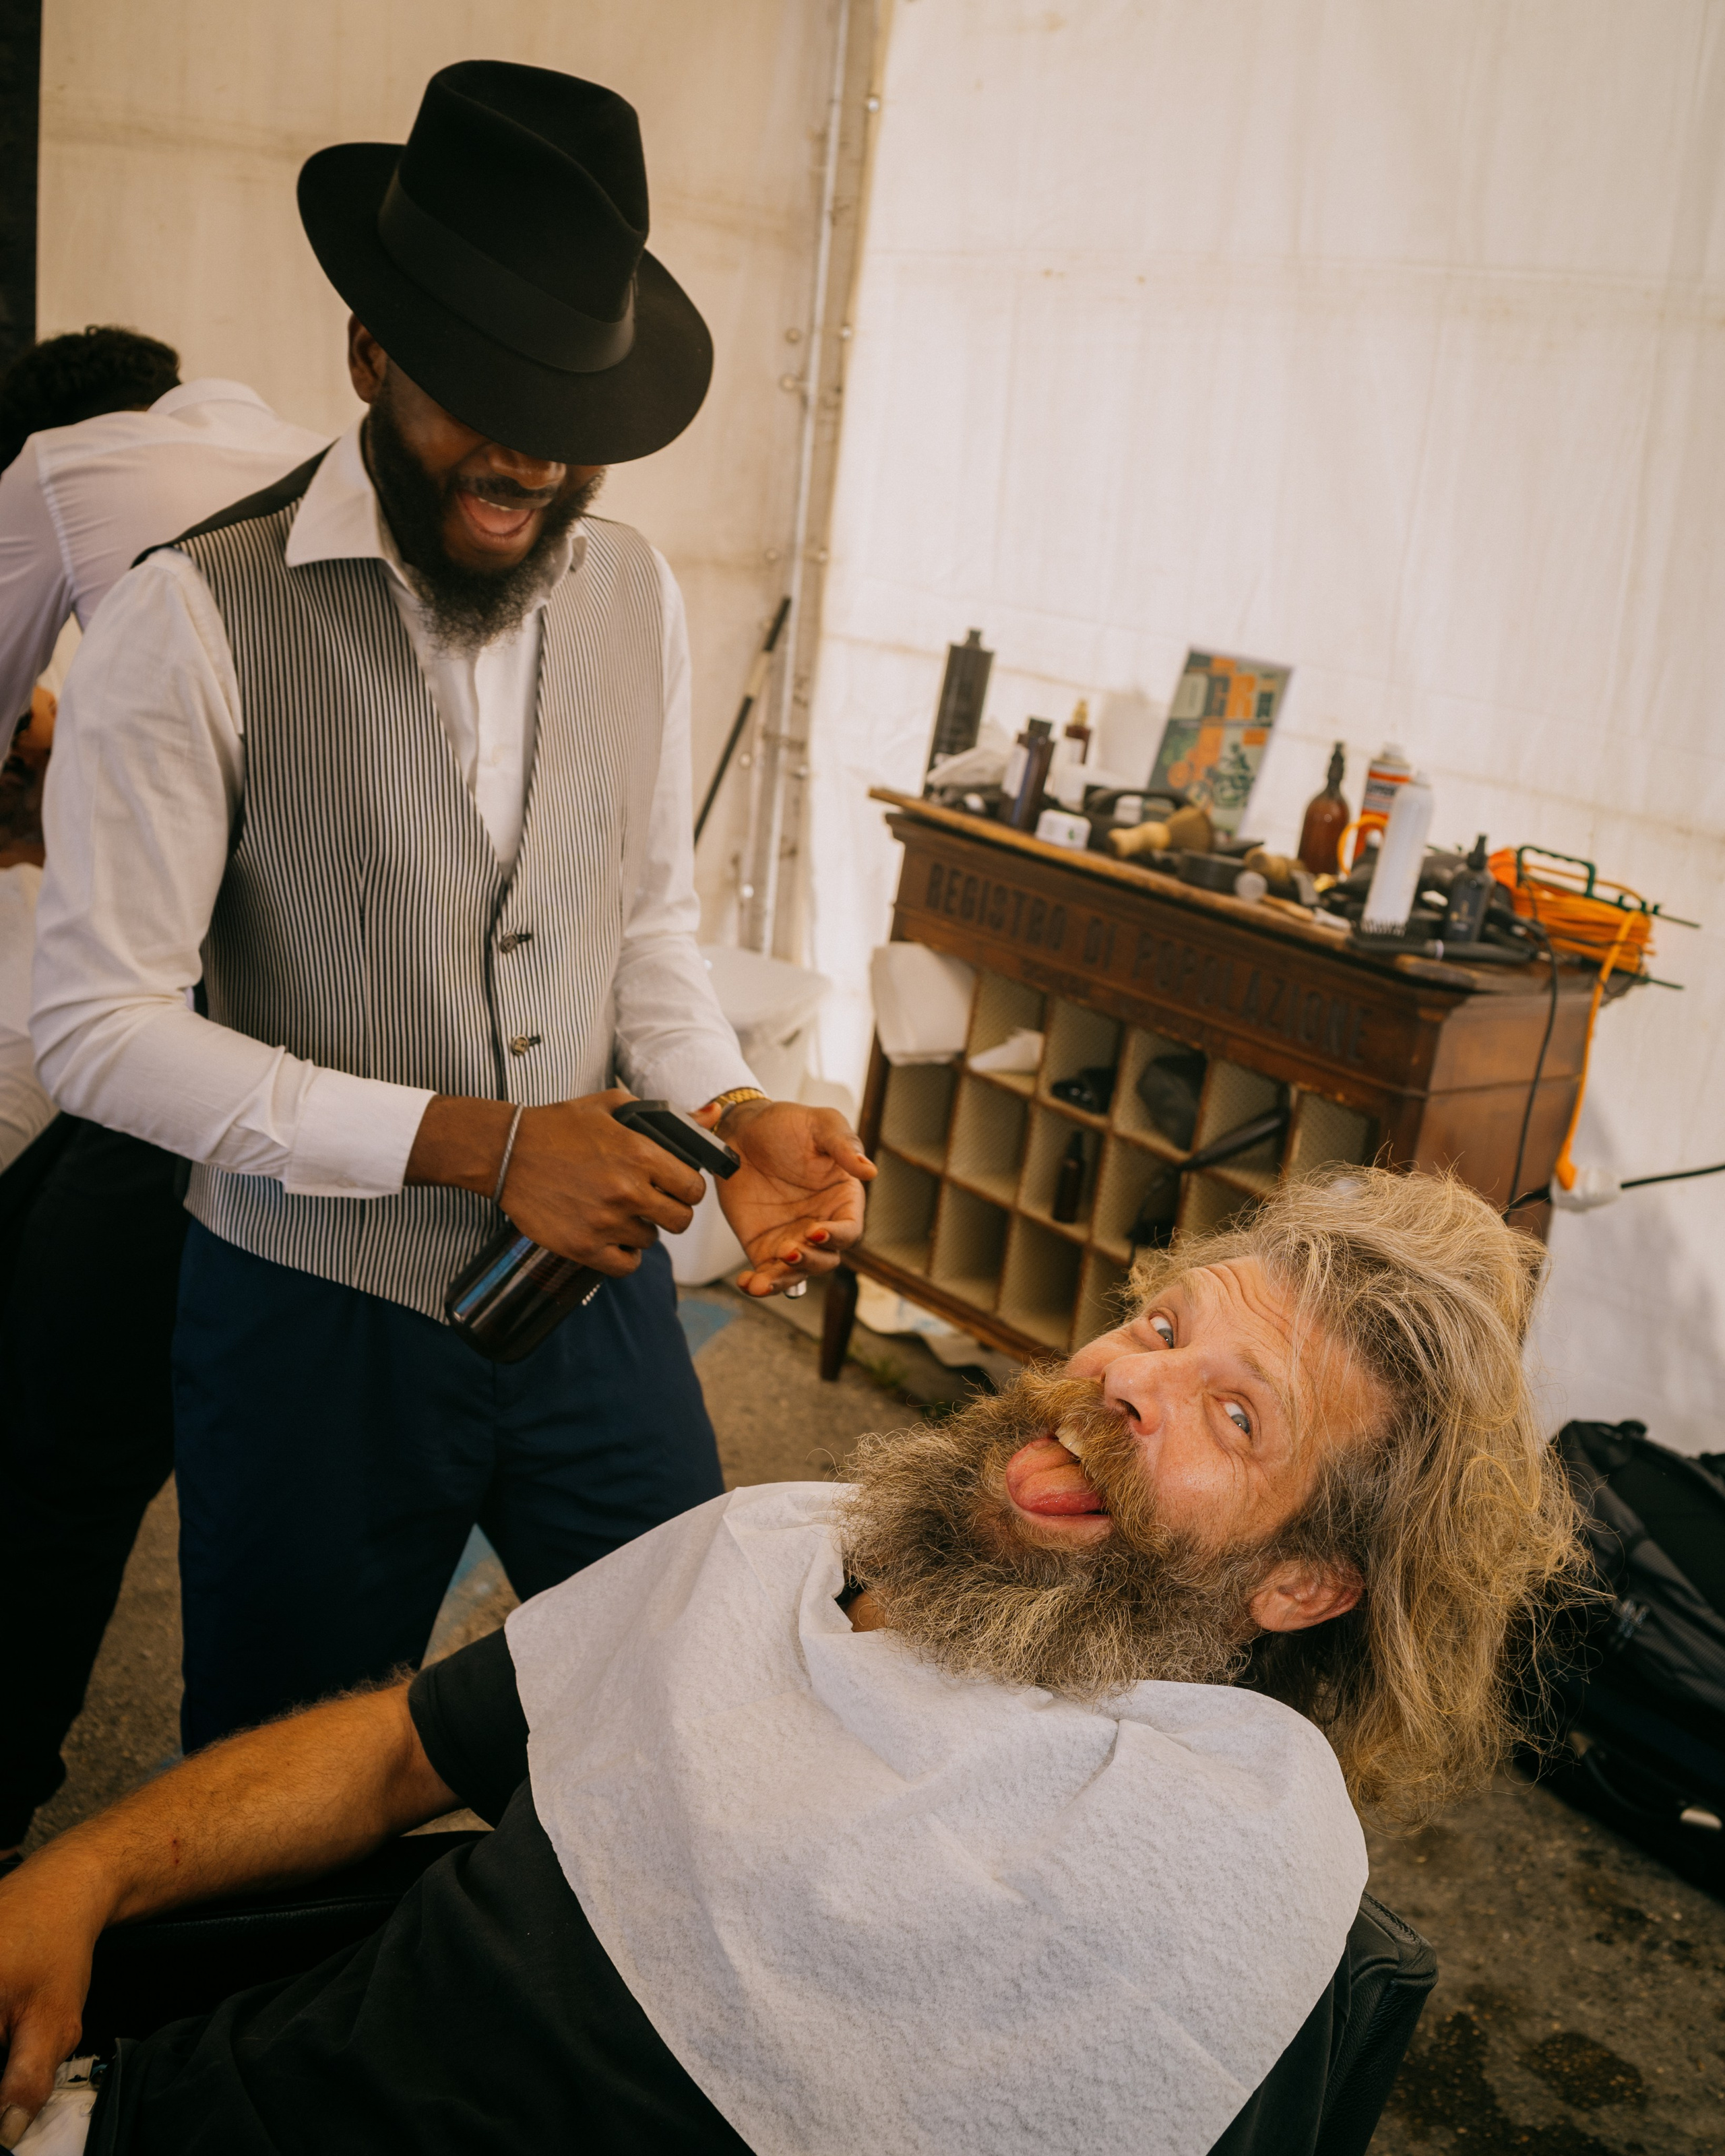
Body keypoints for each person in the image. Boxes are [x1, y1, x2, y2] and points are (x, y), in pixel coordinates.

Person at [0, 1170, 1587, 2156]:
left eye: (1236, 1415)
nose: (1124, 1385)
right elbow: (404, 1747)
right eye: (1160, 1328)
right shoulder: (778, 1538)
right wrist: (80, 1877)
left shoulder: (1209, 1837)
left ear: (1306, 1581)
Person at [30, 61, 872, 1763]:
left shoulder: (633, 593)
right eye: (478, 389)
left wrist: (730, 1105)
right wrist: (478, 1142)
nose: (526, 453)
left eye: (572, 405)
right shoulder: (192, 615)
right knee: (277, 1778)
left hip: (595, 1301)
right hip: (307, 1316)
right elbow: (96, 1029)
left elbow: (641, 922)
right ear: (367, 355)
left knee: (673, 1720)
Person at [0, 339, 326, 1871]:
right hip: (358, 1045)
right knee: (272, 1474)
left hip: (182, 1040)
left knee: (59, 1449)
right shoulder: (316, 456)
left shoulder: (53, 473)